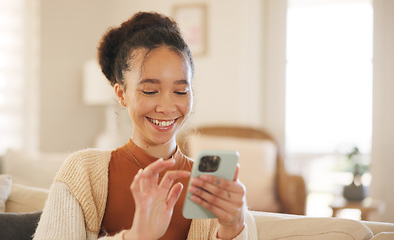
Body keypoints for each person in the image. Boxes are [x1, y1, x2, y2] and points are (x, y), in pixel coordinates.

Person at [34, 11, 257, 240]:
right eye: (150, 91)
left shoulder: (216, 190)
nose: (167, 107)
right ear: (122, 94)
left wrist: (233, 229)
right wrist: (136, 236)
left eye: (180, 91)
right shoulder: (83, 173)